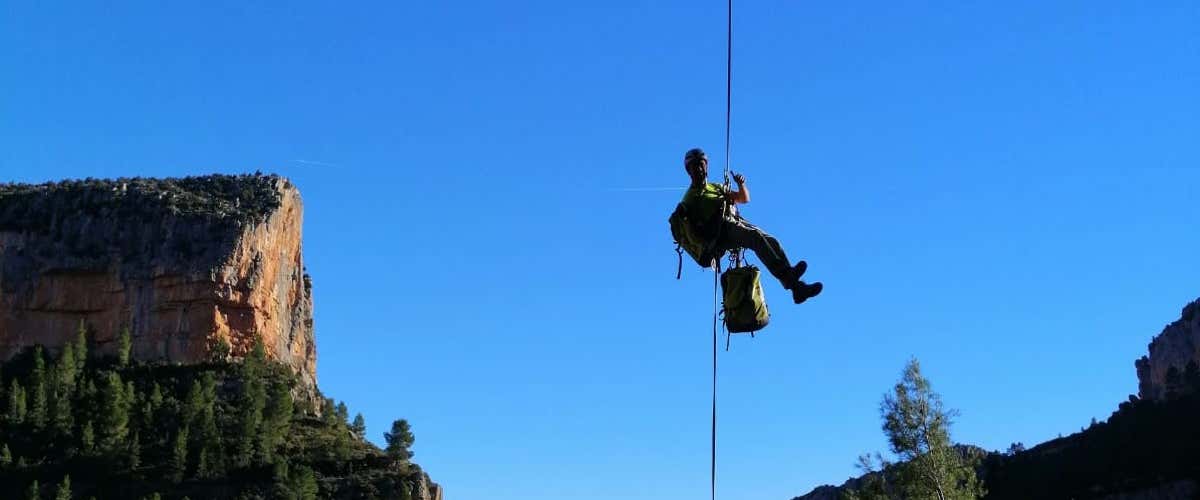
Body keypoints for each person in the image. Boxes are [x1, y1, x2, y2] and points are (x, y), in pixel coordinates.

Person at [680, 147, 823, 304]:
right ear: (689, 171)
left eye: (701, 164)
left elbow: (743, 199)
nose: (699, 169)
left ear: (706, 166)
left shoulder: (716, 187)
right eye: (695, 166)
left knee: (770, 240)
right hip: (720, 233)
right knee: (755, 238)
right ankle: (788, 277)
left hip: (733, 222)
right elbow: (692, 229)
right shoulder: (690, 198)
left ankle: (797, 288)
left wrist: (741, 185)